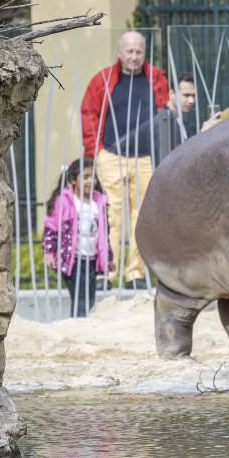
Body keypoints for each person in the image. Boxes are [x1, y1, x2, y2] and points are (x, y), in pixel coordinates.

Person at [80, 30, 168, 290]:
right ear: (119, 52)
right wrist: (95, 151)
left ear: (144, 53)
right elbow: (89, 113)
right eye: (129, 51)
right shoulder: (104, 79)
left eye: (138, 51)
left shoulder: (157, 78)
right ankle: (106, 272)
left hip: (145, 158)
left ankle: (136, 274)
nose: (134, 56)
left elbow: (164, 113)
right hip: (111, 155)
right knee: (111, 216)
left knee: (142, 217)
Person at [42, 159, 111, 318]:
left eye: (93, 177)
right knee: (80, 298)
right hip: (72, 260)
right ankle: (77, 328)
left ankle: (81, 327)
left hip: (91, 259)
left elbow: (103, 233)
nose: (91, 181)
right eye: (85, 177)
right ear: (73, 179)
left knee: (90, 298)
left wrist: (109, 257)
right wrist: (49, 252)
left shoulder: (98, 201)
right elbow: (51, 227)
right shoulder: (64, 200)